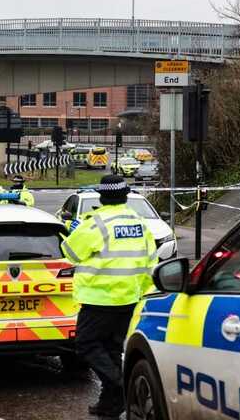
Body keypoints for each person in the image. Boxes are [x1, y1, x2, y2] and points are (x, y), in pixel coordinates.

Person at [60, 175, 158, 419]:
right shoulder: (139, 222)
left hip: (100, 298)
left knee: (87, 344)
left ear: (102, 197)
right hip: (130, 297)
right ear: (125, 195)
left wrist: (75, 231)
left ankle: (118, 383)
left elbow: (70, 252)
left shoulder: (96, 223)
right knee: (112, 349)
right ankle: (110, 404)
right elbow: (151, 261)